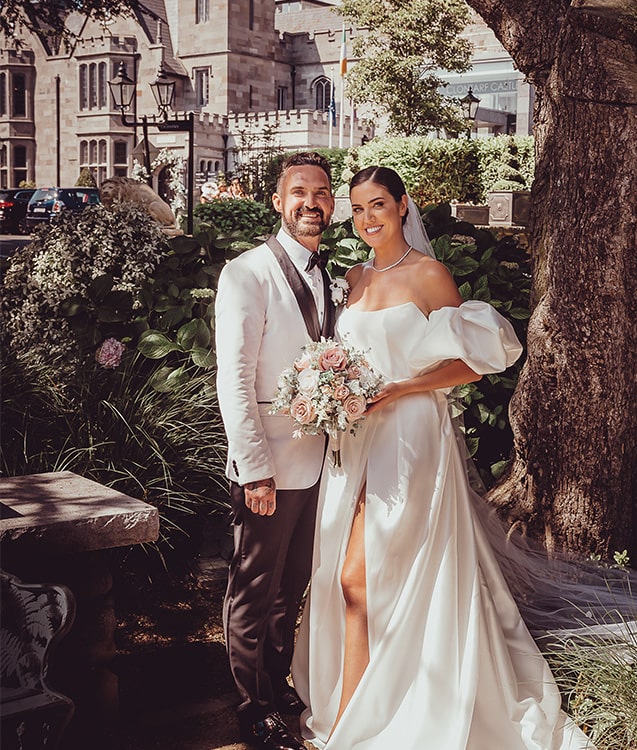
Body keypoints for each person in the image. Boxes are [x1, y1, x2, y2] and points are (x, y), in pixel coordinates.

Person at [289, 165, 597, 749]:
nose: (366, 219)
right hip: (353, 440)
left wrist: (401, 388)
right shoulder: (351, 278)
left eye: (378, 205)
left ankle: (356, 720)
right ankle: (357, 703)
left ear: (403, 206)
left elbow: (474, 362)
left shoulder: (429, 275)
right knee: (344, 573)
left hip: (410, 438)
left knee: (369, 572)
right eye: (357, 210)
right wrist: (328, 390)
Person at [215, 151, 336, 750]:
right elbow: (233, 379)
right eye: (299, 192)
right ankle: (250, 704)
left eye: (321, 192)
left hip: (321, 462)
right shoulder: (246, 273)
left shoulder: (329, 273)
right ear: (277, 202)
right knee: (255, 585)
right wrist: (256, 470)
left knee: (292, 585)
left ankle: (276, 677)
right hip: (268, 463)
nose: (311, 203)